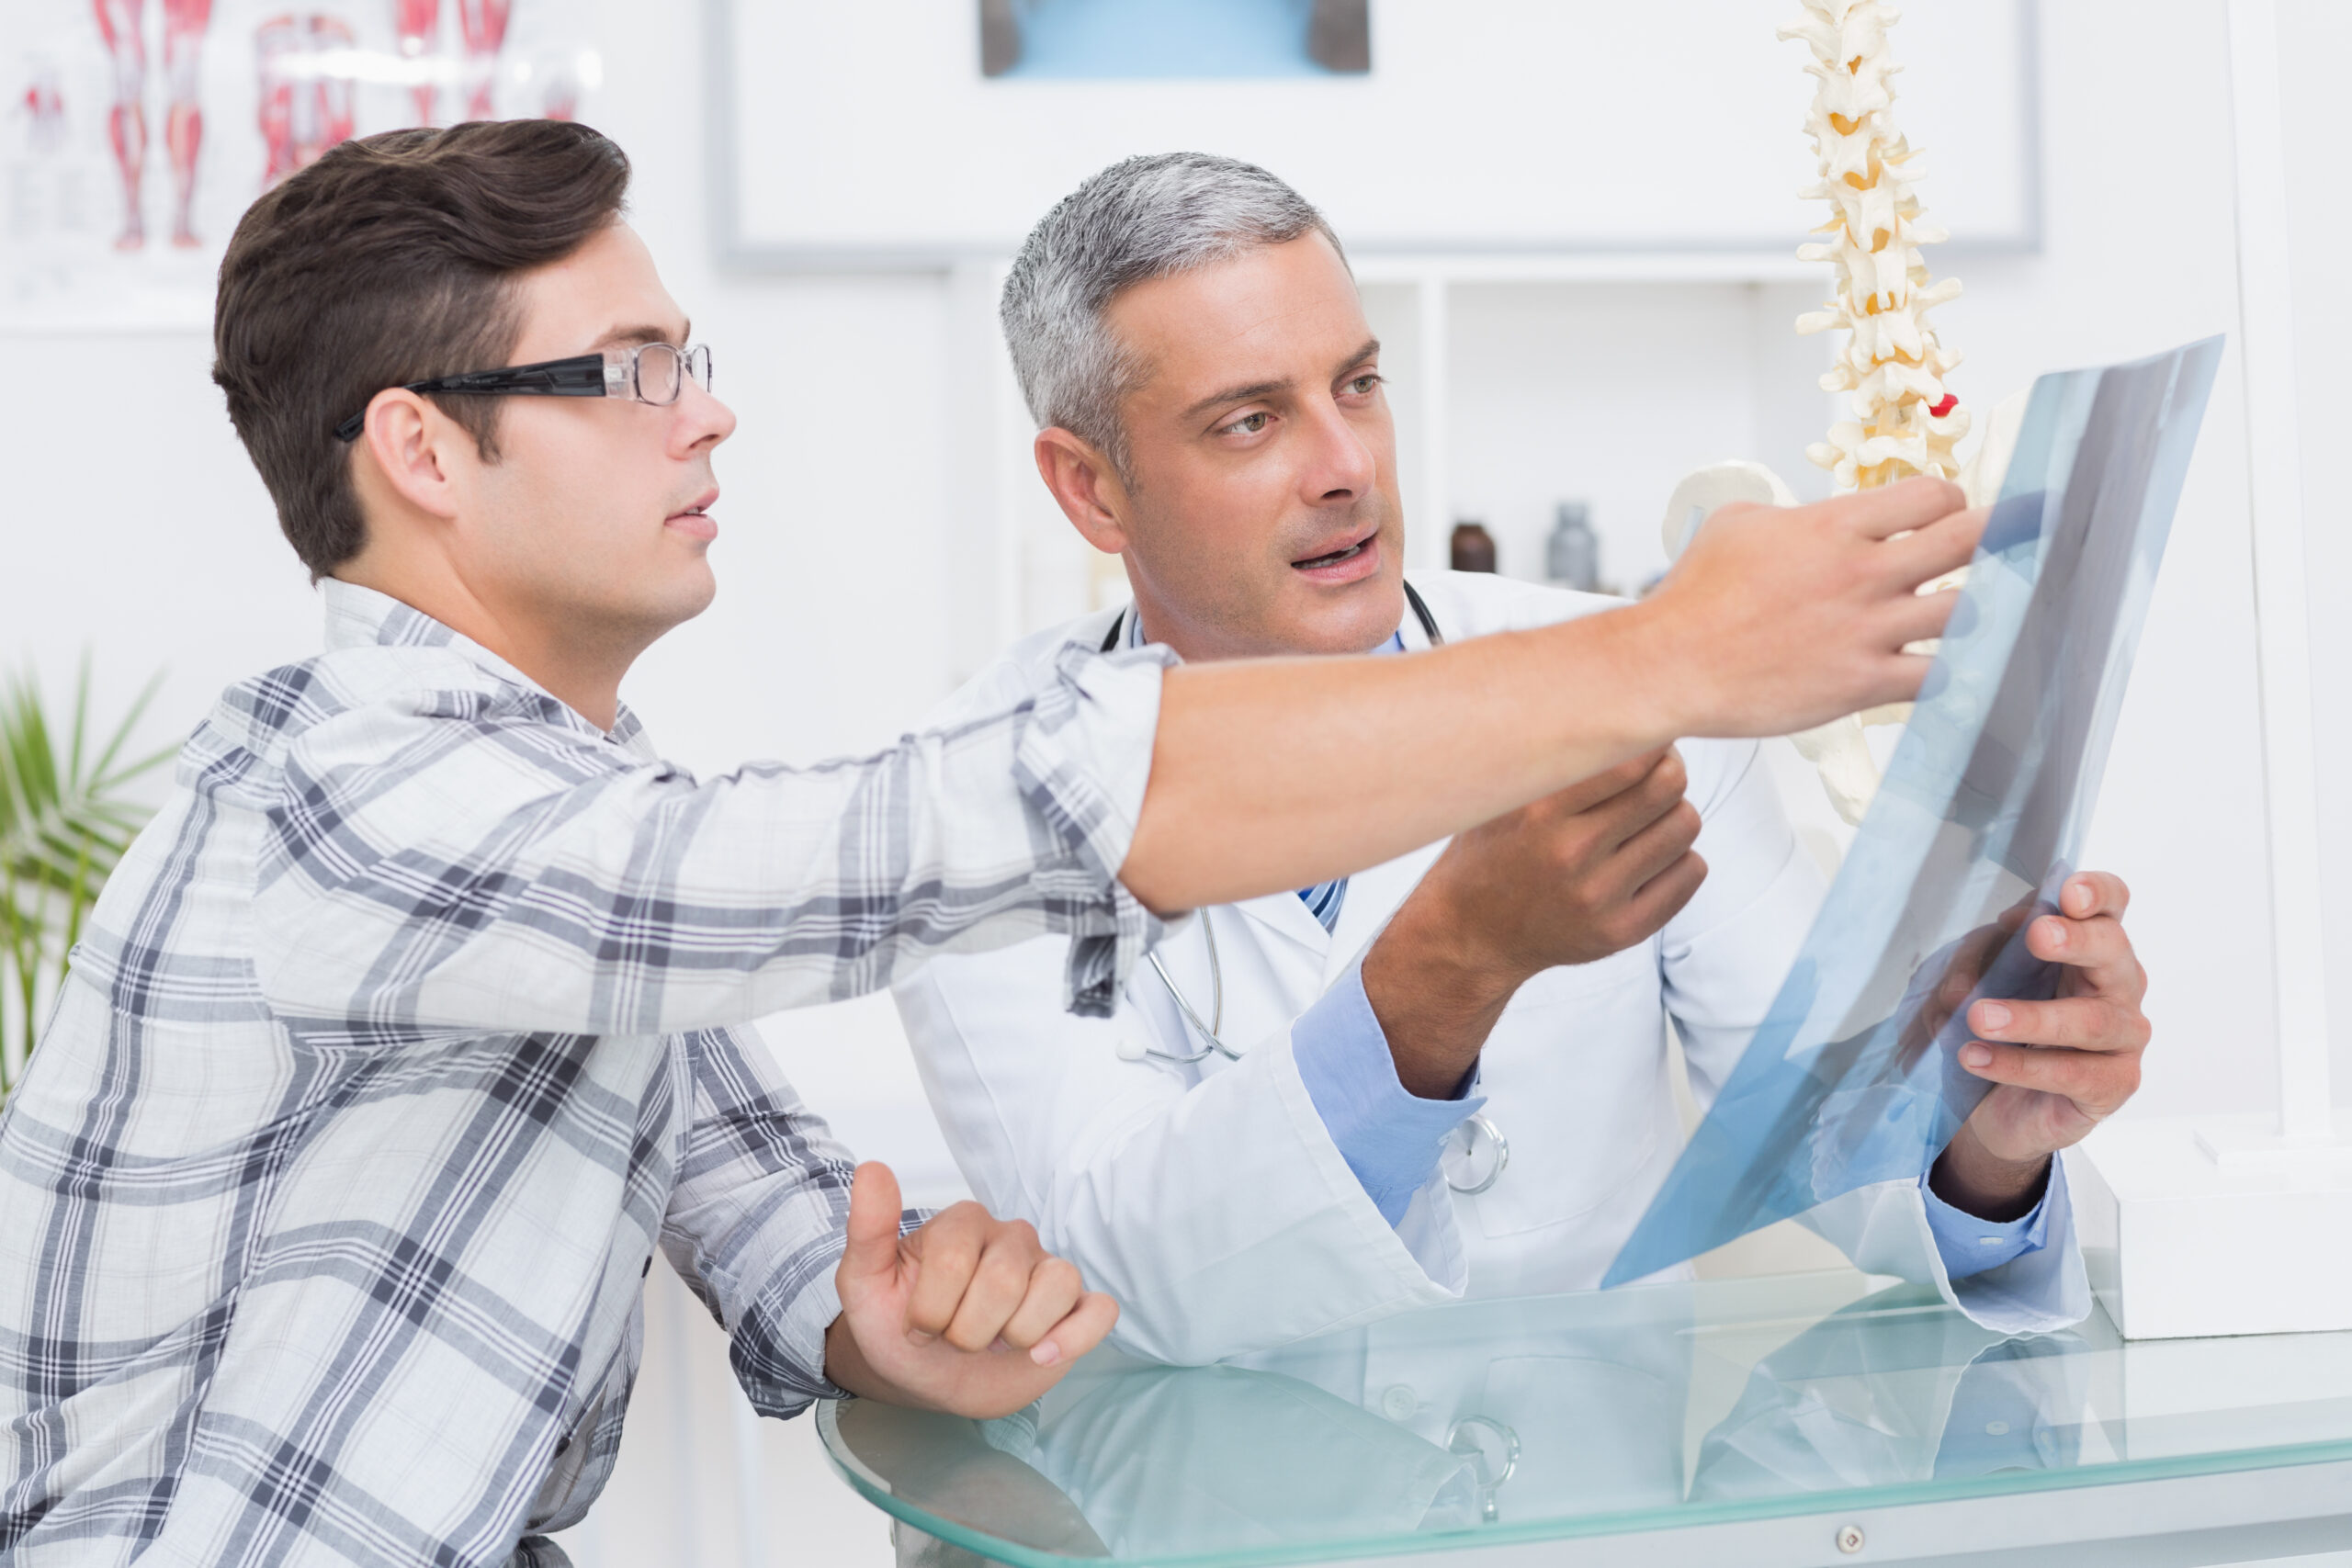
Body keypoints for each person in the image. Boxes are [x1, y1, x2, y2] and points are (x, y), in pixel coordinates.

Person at [0, 124, 1980, 1567]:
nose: (708, 421)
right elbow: (955, 828)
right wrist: (1659, 655)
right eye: (633, 374)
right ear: (424, 451)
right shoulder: (357, 803)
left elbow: (773, 1212)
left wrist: (899, 1302)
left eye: (693, 357)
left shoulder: (559, 819)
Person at [893, 152, 2153, 1364]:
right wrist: (1455, 961)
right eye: (1248, 422)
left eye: (1359, 384)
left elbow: (1815, 1149)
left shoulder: (1629, 678)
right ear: (1092, 489)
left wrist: (1990, 1132)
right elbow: (1114, 1281)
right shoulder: (973, 804)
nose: (1347, 468)